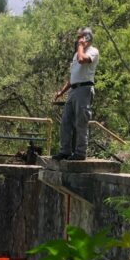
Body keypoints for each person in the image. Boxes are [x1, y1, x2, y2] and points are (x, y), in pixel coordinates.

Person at [52, 27, 100, 161]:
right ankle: (65, 151)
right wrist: (61, 92)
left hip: (84, 90)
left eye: (81, 37)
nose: (78, 40)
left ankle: (80, 153)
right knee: (65, 122)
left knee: (81, 122)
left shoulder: (93, 51)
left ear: (87, 38)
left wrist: (81, 46)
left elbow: (82, 60)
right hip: (73, 90)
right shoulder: (76, 54)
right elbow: (73, 76)